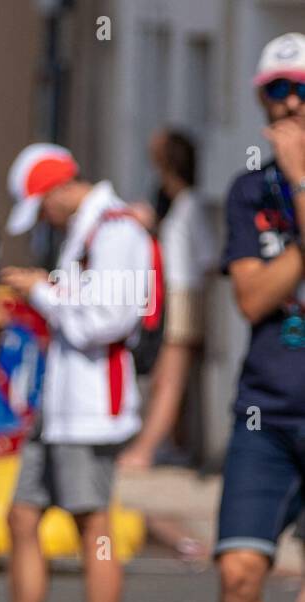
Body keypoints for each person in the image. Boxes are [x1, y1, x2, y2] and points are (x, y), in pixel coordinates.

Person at [0, 144, 151, 602]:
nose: (44, 218)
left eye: (44, 206)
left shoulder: (116, 231)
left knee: (93, 527)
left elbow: (106, 320)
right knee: (21, 515)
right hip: (57, 401)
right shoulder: (87, 231)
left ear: (61, 189)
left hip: (90, 405)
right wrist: (49, 288)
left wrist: (40, 290)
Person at [200, 32, 305, 602]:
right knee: (239, 572)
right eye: (277, 94)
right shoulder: (251, 192)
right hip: (266, 409)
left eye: (301, 91)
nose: (291, 106)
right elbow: (253, 298)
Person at [119, 130, 216, 469]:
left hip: (182, 295)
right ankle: (176, 444)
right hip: (165, 293)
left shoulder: (191, 204)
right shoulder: (169, 200)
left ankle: (144, 450)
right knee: (169, 376)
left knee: (170, 378)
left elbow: (208, 261)